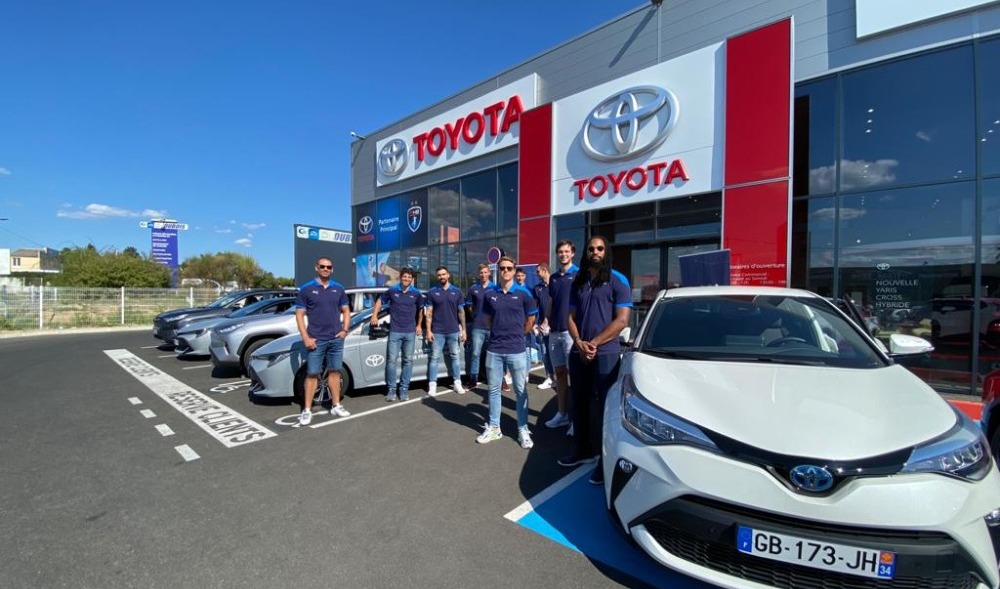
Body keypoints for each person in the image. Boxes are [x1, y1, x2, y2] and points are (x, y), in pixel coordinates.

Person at [559, 236, 632, 485]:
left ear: (606, 251)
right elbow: (569, 316)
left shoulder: (618, 280)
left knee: (604, 410)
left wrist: (595, 343)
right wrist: (579, 341)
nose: (595, 252)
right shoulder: (578, 281)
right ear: (586, 252)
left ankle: (604, 460)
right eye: (591, 248)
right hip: (579, 351)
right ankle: (583, 450)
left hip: (606, 353)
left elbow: (622, 320)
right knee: (578, 403)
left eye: (600, 248)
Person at [477, 256, 537, 448]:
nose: (505, 271)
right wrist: (498, 333)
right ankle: (495, 428)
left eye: (509, 268)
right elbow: (487, 319)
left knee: (520, 391)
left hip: (517, 350)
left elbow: (531, 320)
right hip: (495, 349)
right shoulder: (490, 294)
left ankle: (522, 428)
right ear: (498, 270)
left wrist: (519, 334)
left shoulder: (524, 293)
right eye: (502, 268)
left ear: (514, 270)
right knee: (494, 390)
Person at [294, 257, 352, 426]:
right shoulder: (306, 289)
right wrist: (305, 337)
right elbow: (299, 315)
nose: (326, 269)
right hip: (316, 340)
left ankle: (336, 405)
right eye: (322, 266)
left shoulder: (338, 288)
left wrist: (344, 330)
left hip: (335, 339)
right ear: (316, 267)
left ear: (332, 269)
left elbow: (346, 310)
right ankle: (306, 410)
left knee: (335, 372)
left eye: (329, 267)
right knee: (312, 374)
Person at [371, 267, 424, 402]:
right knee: (391, 361)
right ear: (401, 277)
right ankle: (391, 390)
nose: (406, 279)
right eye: (404, 276)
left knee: (408, 361)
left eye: (409, 277)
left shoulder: (416, 294)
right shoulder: (392, 290)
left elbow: (421, 310)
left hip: (410, 333)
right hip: (395, 331)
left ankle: (404, 389)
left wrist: (418, 325)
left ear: (412, 279)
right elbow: (379, 301)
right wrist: (374, 315)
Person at [545, 240, 578, 432]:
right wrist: (545, 320)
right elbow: (551, 301)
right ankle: (562, 414)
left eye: (566, 251)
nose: (563, 254)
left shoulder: (578, 274)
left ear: (572, 253)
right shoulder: (554, 277)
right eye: (560, 252)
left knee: (574, 375)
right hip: (554, 332)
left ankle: (576, 419)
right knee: (559, 374)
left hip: (569, 332)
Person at [424, 266, 467, 396]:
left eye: (443, 274)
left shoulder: (457, 292)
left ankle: (457, 383)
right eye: (439, 275)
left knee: (455, 357)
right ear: (437, 277)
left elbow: (461, 312)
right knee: (434, 358)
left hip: (453, 330)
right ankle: (432, 385)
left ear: (448, 275)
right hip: (437, 331)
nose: (442, 277)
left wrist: (464, 330)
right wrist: (429, 331)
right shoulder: (432, 292)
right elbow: (429, 313)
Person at [464, 263, 494, 390]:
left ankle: (498, 379)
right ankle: (473, 379)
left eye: (485, 272)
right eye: (481, 273)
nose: (483, 275)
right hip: (478, 326)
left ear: (489, 273)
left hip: (492, 327)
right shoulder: (473, 289)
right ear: (478, 274)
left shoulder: (495, 288)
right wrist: (476, 315)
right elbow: (469, 306)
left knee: (493, 355)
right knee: (475, 354)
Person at [533, 263, 555, 390]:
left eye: (538, 271)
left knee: (559, 354)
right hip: (543, 326)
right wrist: (535, 323)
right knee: (545, 352)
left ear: (545, 270)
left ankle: (561, 377)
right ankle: (550, 377)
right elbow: (534, 307)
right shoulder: (537, 288)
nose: (536, 274)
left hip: (556, 325)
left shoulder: (556, 284)